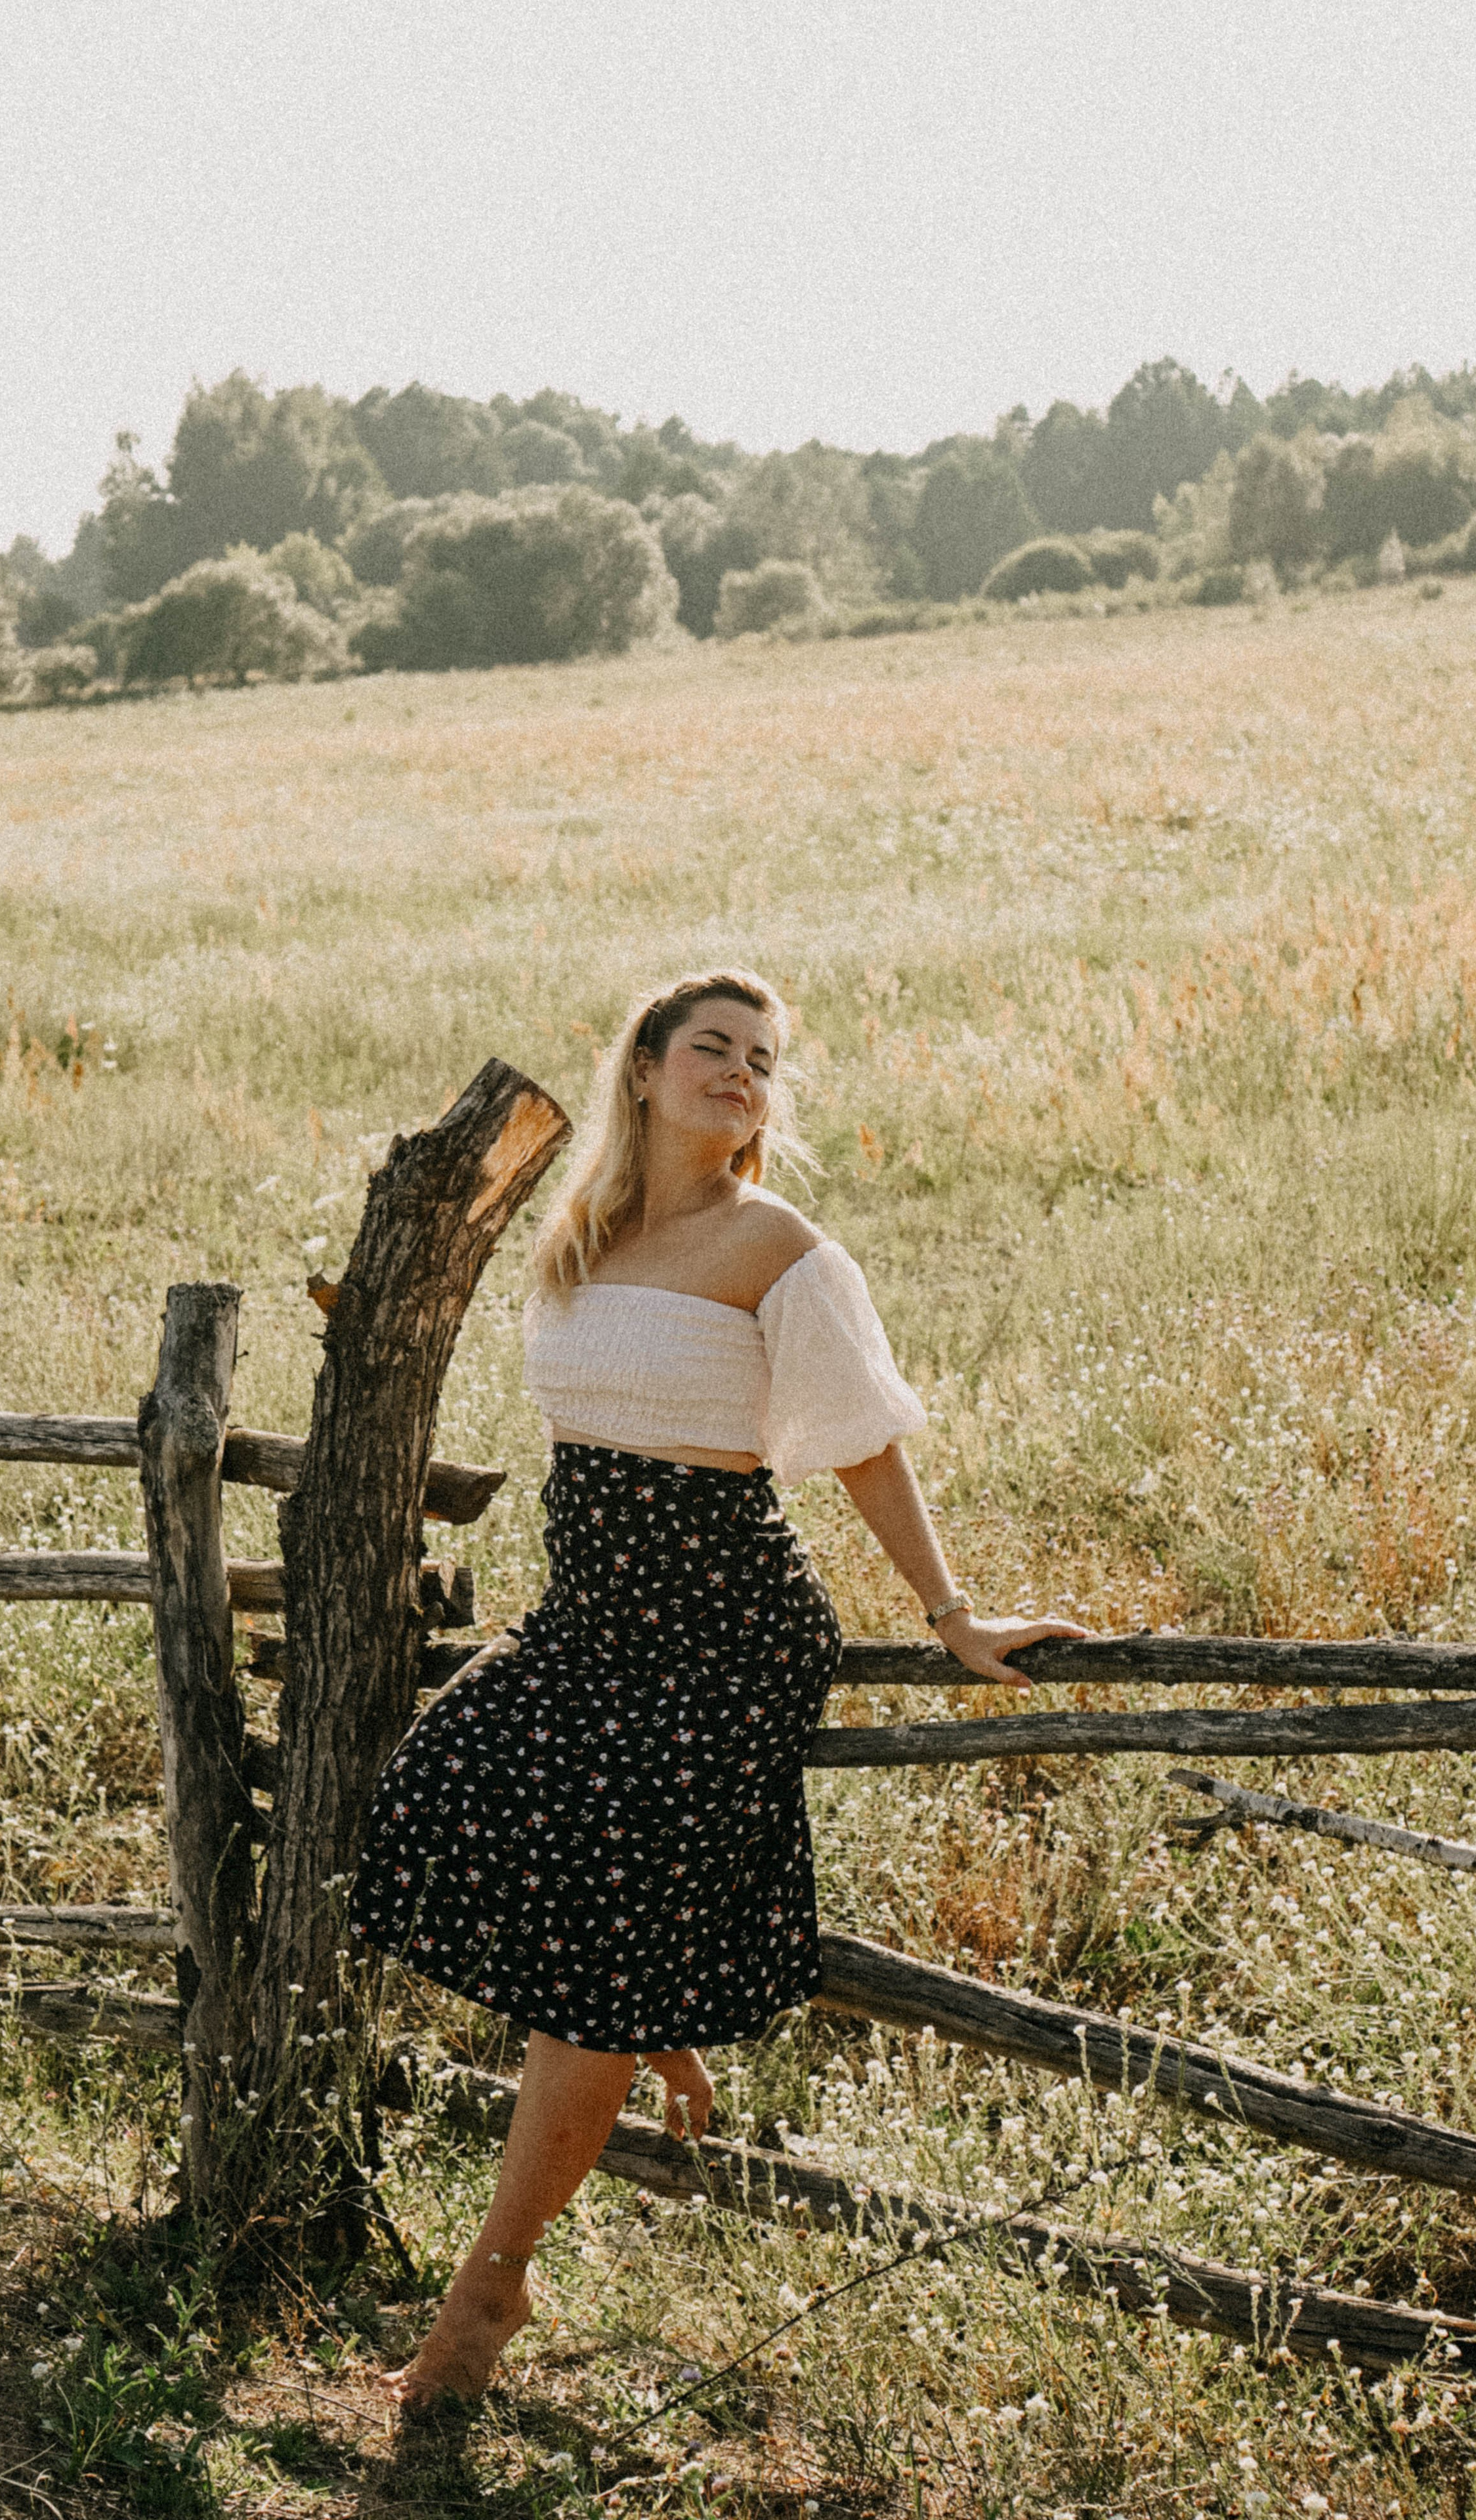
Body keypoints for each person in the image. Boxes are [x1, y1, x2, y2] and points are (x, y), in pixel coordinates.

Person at [348, 967, 1084, 2414]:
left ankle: (487, 2287)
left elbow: (862, 1441)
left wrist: (949, 1613)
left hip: (720, 1627)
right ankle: (647, 1994)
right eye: (713, 1047)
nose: (742, 1072)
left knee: (588, 1983)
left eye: (762, 1058)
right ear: (642, 1066)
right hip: (595, 1612)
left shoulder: (781, 1246)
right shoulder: (584, 1229)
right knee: (433, 1799)